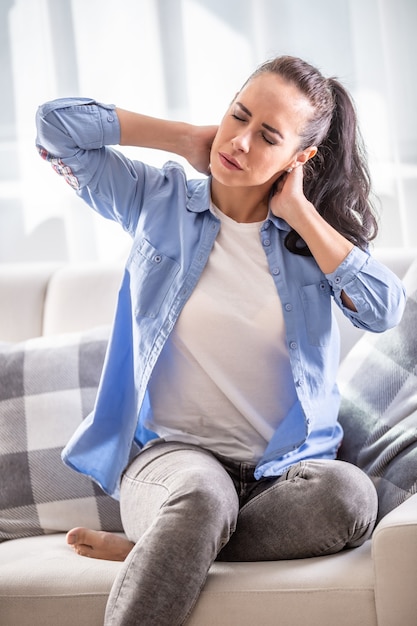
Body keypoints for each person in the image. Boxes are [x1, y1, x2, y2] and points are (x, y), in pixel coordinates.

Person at [36, 55, 405, 626]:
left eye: (268, 136)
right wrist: (183, 138)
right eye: (238, 117)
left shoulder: (307, 246)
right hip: (173, 465)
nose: (240, 141)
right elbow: (56, 126)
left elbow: (385, 309)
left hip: (280, 480)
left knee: (351, 499)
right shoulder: (156, 200)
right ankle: (180, 535)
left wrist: (301, 213)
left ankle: (166, 551)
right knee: (202, 500)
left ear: (299, 158)